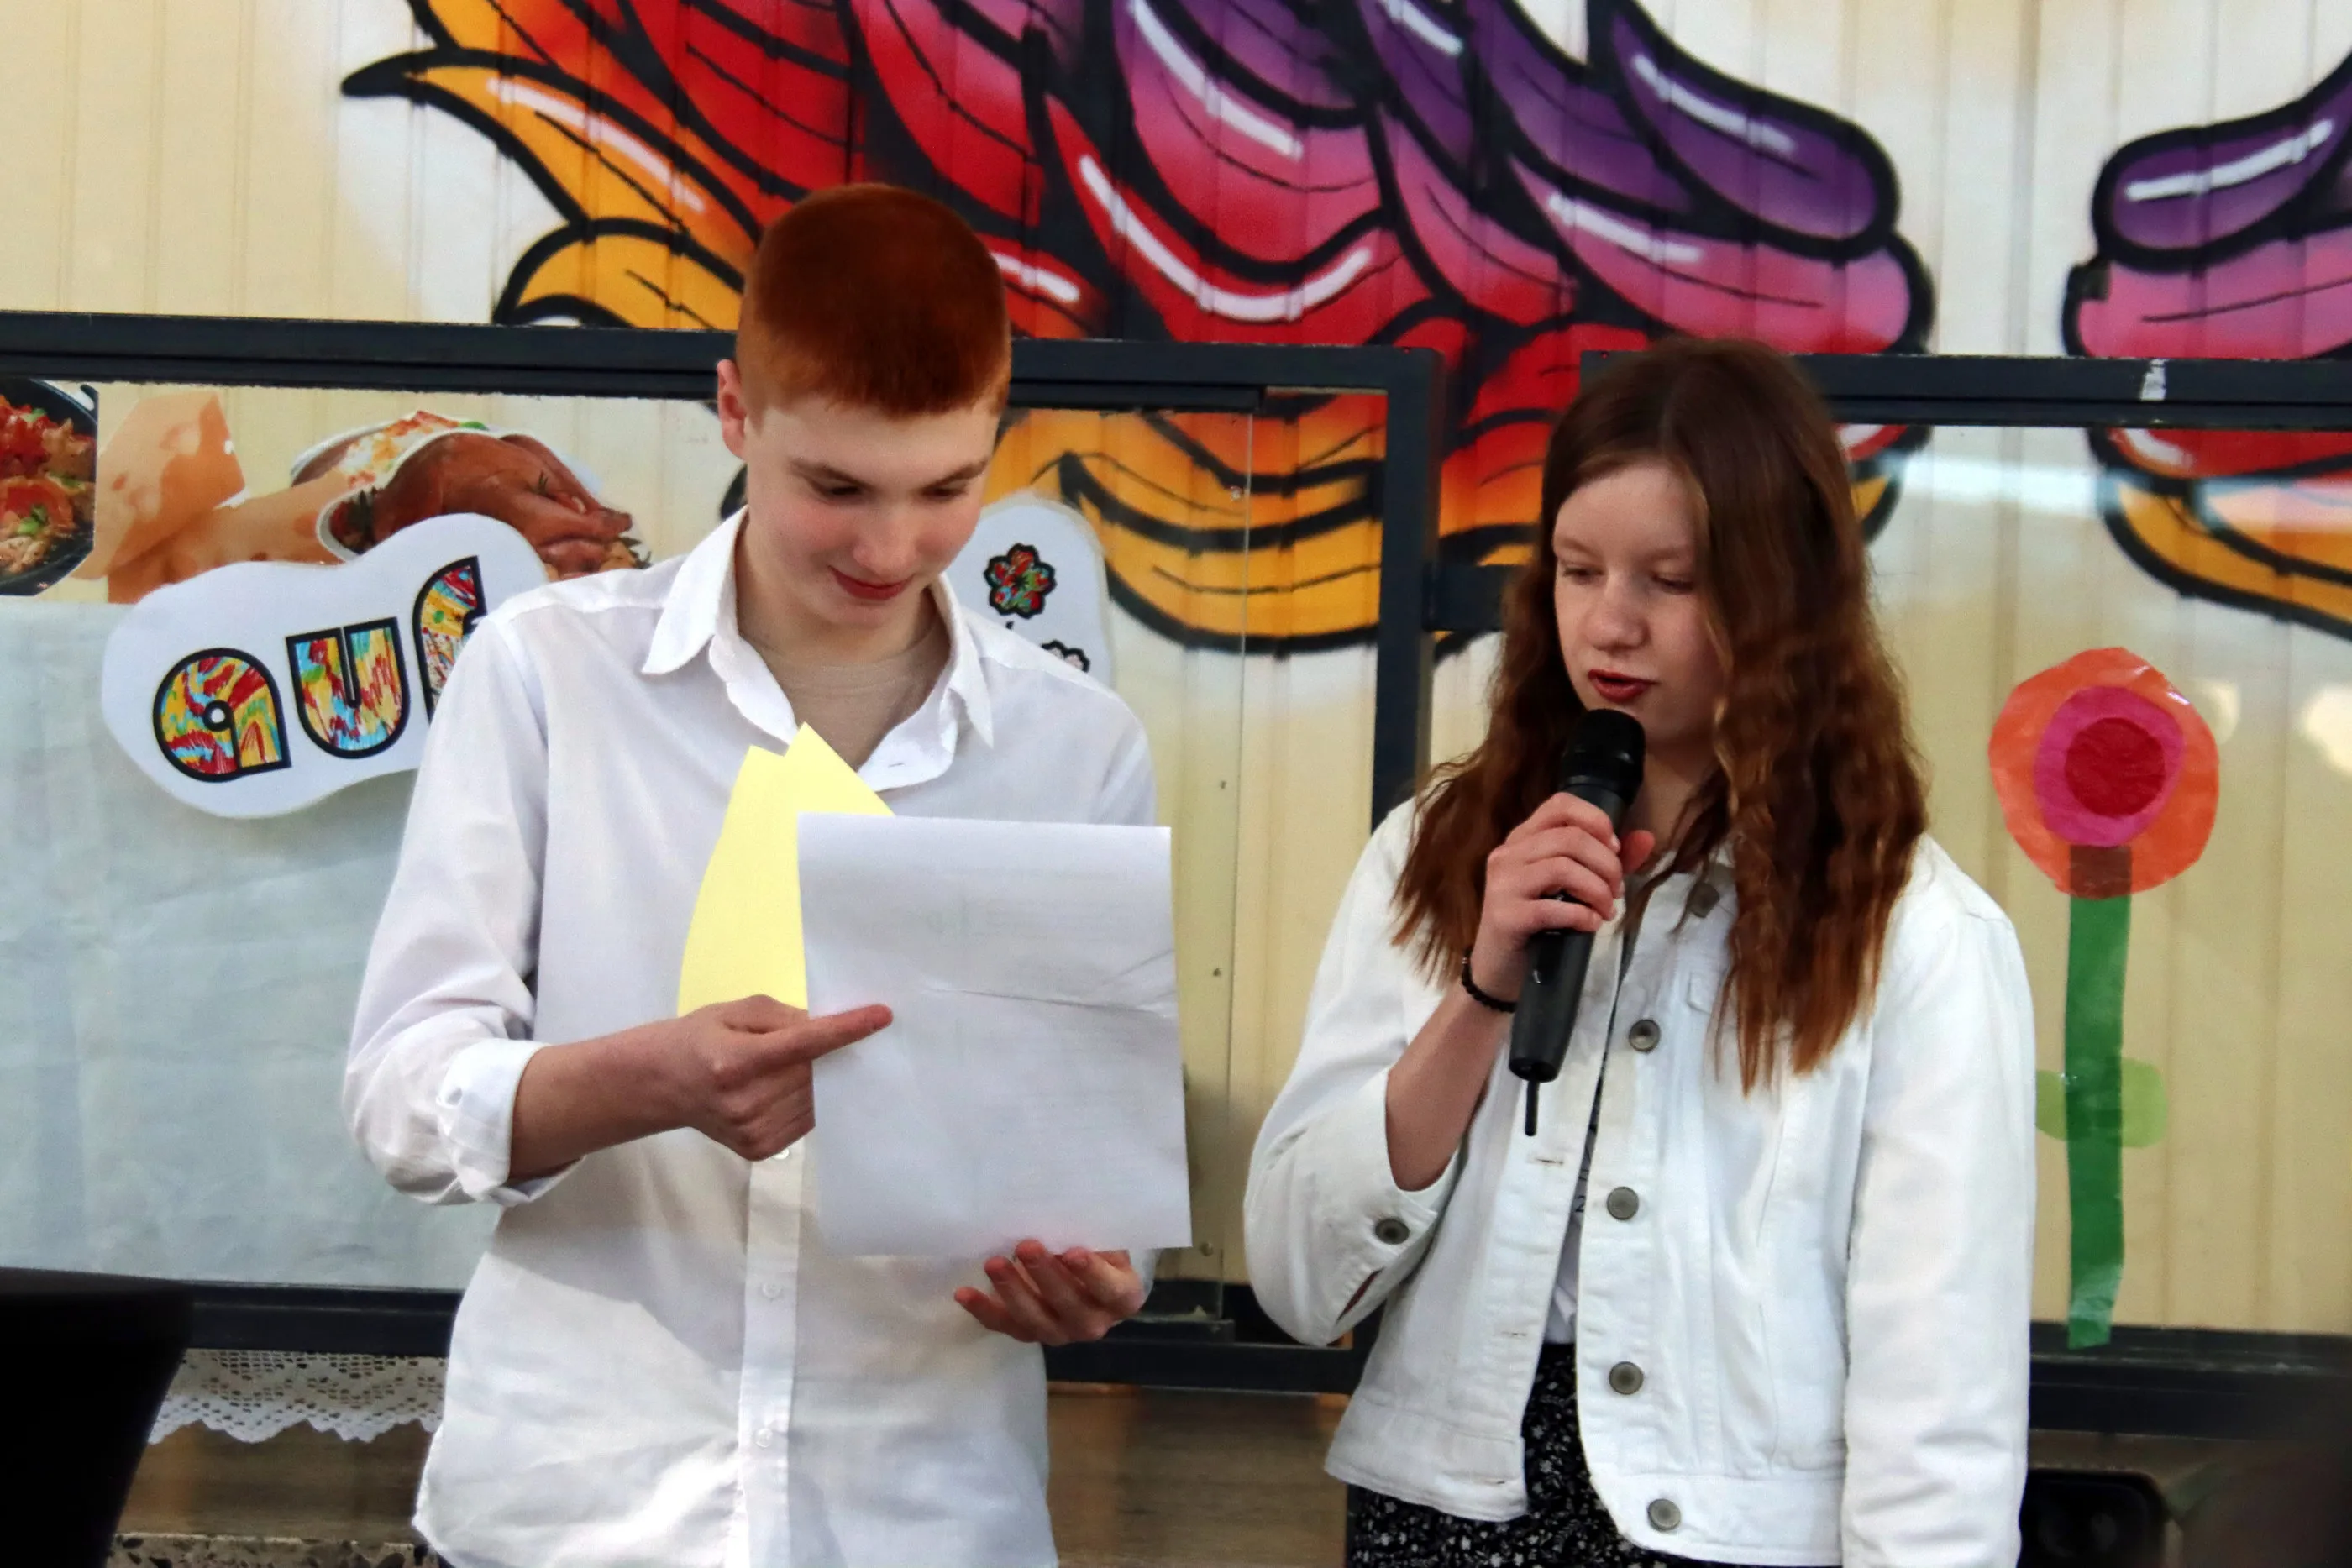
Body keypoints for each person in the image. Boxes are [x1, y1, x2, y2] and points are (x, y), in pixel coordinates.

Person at [344, 184, 1155, 1568]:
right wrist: (646, 1078)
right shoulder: (548, 673)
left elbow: (1090, 1160)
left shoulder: (1076, 746)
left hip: (921, 1511)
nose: (889, 548)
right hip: (576, 1505)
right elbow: (403, 1097)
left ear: (998, 435)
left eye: (946, 488)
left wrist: (1097, 1278)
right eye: (835, 487)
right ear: (734, 411)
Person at [1245, 338, 2037, 1566]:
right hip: (1449, 1510)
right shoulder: (1437, 852)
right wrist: (1482, 989)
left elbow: (1939, 1386)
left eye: (1672, 579)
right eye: (1575, 569)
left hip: (1732, 1533)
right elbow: (1300, 1279)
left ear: (1783, 596)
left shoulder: (1912, 931)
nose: (1610, 622)